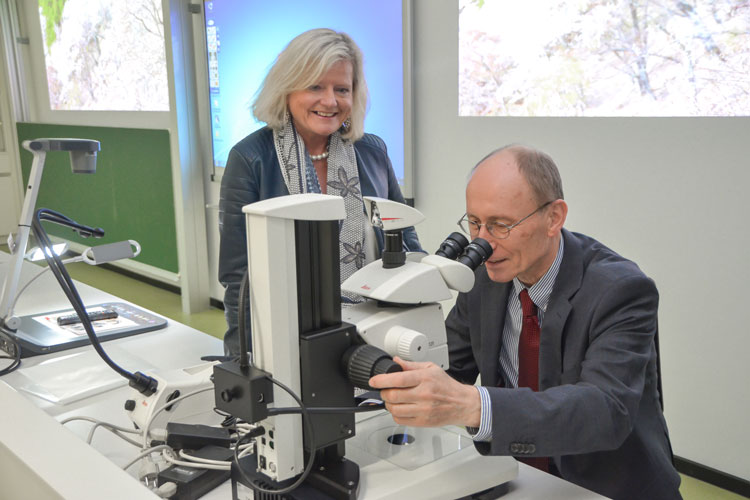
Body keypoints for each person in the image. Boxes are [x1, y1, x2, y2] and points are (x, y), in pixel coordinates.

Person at [369, 145, 681, 500]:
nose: (482, 242)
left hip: (607, 485)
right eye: (474, 223)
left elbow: (606, 411)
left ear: (554, 218)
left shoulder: (620, 289)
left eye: (501, 225)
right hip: (518, 475)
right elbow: (449, 368)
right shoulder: (486, 277)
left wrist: (474, 405)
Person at [218, 28, 421, 356]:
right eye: (315, 86)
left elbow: (405, 237)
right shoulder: (250, 158)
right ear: (287, 88)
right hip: (289, 337)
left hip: (374, 330)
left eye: (341, 89)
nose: (330, 101)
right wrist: (245, 357)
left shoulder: (372, 152)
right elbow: (238, 276)